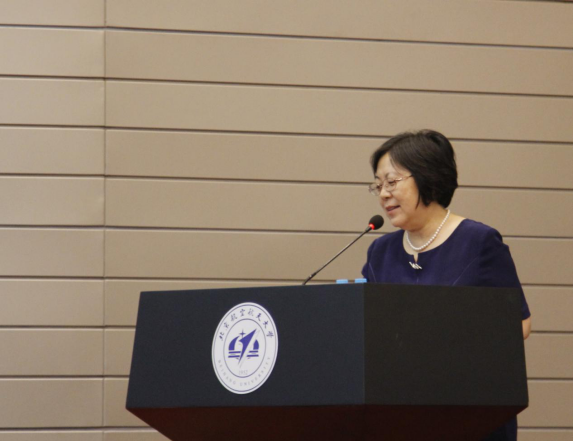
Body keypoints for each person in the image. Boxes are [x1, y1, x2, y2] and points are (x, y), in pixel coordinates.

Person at [361, 129, 532, 442]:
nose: (383, 193)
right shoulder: (380, 251)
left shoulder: (478, 242)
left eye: (392, 182)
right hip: (399, 414)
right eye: (378, 185)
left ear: (428, 177)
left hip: (469, 414)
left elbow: (519, 324)